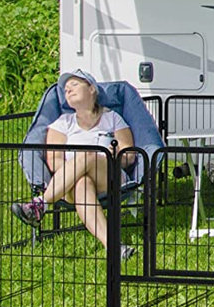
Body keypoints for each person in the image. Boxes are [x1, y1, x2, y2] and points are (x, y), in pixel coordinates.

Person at [11, 69, 137, 262]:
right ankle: (114, 247)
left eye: (74, 84)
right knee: (82, 183)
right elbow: (54, 161)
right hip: (70, 184)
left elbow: (129, 155)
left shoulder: (112, 118)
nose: (68, 90)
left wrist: (116, 155)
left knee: (88, 155)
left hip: (110, 177)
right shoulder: (62, 123)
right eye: (66, 89)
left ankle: (41, 204)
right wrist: (77, 171)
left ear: (92, 89)